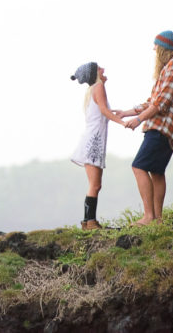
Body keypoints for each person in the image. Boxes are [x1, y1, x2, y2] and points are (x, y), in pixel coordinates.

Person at [123, 30, 173, 225]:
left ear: (163, 49)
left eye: (156, 46)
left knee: (138, 166)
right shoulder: (172, 67)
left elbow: (161, 103)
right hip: (168, 128)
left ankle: (149, 216)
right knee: (157, 171)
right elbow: (152, 101)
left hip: (162, 127)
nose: (154, 49)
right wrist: (127, 112)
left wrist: (138, 120)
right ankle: (157, 219)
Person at [70, 61, 128, 230]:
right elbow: (104, 110)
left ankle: (88, 221)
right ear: (95, 74)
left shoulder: (93, 90)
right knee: (94, 185)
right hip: (94, 142)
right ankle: (89, 222)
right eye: (99, 68)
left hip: (93, 141)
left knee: (95, 185)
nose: (103, 69)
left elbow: (102, 111)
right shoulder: (98, 87)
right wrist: (122, 122)